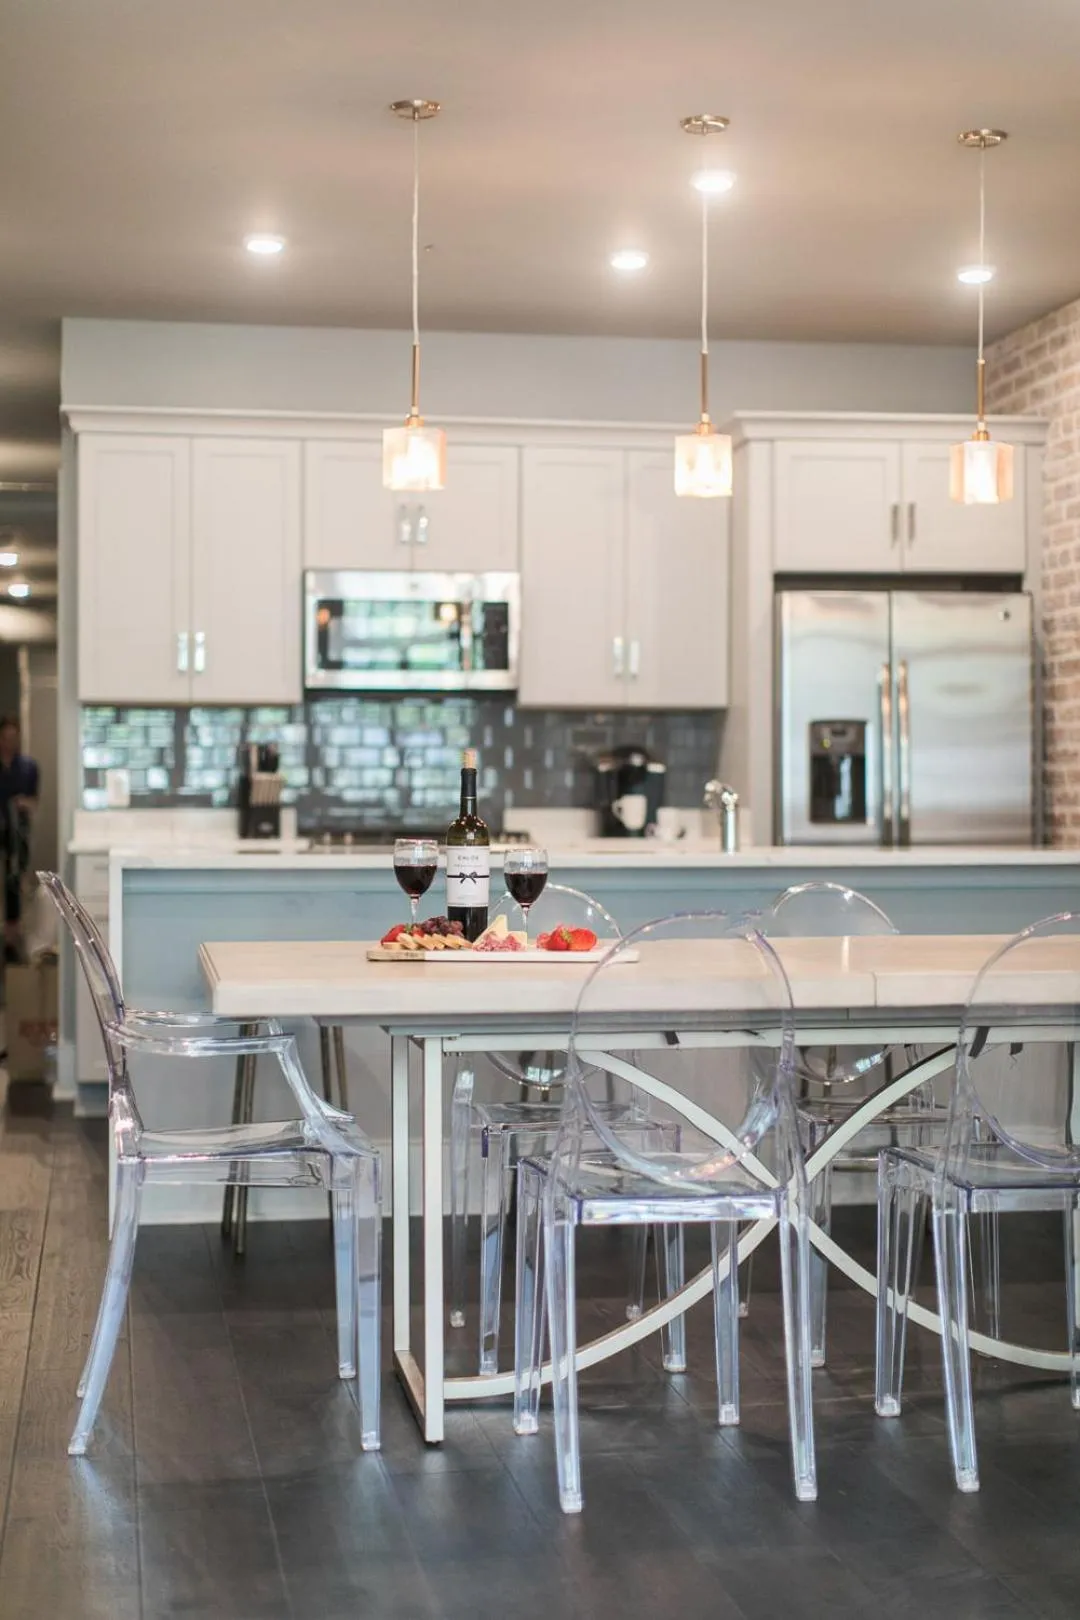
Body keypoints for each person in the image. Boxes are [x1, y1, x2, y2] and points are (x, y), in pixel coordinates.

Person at [0, 717, 38, 960]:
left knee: (14, 885)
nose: (10, 742)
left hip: (17, 837)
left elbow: (35, 802)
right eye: (6, 737)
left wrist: (24, 804)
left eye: (14, 738)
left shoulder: (28, 767)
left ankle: (11, 943)